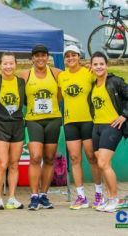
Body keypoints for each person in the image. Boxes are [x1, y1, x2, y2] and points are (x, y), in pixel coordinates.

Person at [58, 45, 103, 210]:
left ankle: (99, 193)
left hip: (88, 121)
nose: (70, 58)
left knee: (92, 157)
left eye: (74, 55)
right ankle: (81, 196)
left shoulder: (89, 73)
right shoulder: (62, 77)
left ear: (79, 56)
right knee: (75, 159)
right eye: (67, 55)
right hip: (70, 123)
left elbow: (102, 78)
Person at [21, 44, 62, 210]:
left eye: (43, 55)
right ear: (32, 58)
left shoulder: (57, 73)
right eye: (36, 56)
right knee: (36, 157)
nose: (40, 58)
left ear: (47, 57)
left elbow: (60, 94)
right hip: (33, 120)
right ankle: (33, 195)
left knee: (50, 158)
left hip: (53, 119)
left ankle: (44, 195)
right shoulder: (25, 75)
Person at [90, 51, 127, 213]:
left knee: (103, 163)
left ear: (107, 65)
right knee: (103, 164)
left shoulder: (115, 82)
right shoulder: (93, 85)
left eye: (101, 64)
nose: (99, 67)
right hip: (96, 126)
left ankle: (115, 199)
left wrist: (124, 115)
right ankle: (109, 197)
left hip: (112, 126)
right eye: (95, 64)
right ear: (91, 66)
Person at [0, 52, 25, 210]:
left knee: (14, 164)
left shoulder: (21, 82)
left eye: (11, 63)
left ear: (16, 64)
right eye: (5, 63)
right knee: (2, 164)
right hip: (0, 125)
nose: (8, 66)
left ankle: (11, 197)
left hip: (17, 125)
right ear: (0, 65)